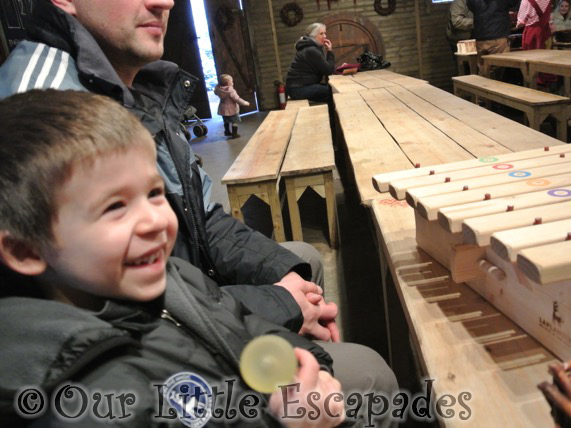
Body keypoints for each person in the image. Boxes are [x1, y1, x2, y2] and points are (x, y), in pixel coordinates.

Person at [0, 0, 397, 403]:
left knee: (301, 260)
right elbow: (121, 326)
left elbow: (199, 215)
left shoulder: (132, 82)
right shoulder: (43, 107)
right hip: (144, 350)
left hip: (175, 296)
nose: (165, 2)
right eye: (115, 207)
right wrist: (281, 305)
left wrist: (287, 286)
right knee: (369, 375)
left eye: (153, 195)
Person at [0, 89, 345, 427]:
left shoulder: (170, 276)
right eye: (115, 206)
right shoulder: (88, 401)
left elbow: (237, 324)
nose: (156, 220)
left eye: (153, 193)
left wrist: (304, 364)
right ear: (26, 250)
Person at [467, 0, 521, 77]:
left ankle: (482, 87)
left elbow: (470, 6)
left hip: (479, 37)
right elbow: (515, 3)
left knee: (483, 70)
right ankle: (491, 87)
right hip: (498, 36)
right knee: (497, 69)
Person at [285, 23, 335, 103]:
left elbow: (326, 68)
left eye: (325, 33)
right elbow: (329, 71)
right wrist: (330, 51)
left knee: (331, 89)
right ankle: (333, 115)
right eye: (321, 34)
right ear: (313, 36)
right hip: (298, 90)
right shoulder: (311, 50)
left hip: (300, 88)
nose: (325, 36)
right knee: (333, 92)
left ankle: (332, 114)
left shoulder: (311, 48)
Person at [516, 0, 558, 87]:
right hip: (545, 32)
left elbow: (521, 22)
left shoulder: (526, 1)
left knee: (532, 59)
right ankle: (548, 82)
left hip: (533, 33)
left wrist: (516, 25)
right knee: (546, 57)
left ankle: (535, 84)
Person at [214, 74, 250, 139]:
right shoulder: (231, 91)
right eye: (232, 81)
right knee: (234, 121)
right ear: (228, 83)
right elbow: (237, 99)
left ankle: (227, 131)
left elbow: (215, 92)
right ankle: (234, 134)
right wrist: (245, 103)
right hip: (232, 109)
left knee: (226, 121)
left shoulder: (218, 89)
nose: (233, 82)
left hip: (223, 108)